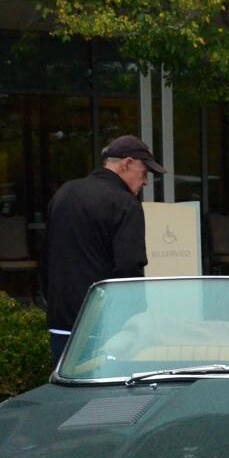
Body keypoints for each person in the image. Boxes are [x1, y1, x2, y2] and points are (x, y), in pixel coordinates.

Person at [41, 135, 162, 364]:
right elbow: (129, 268)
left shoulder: (64, 192)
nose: (145, 181)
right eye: (144, 172)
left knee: (64, 392)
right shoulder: (125, 203)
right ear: (126, 164)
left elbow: (46, 255)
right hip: (104, 325)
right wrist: (134, 323)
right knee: (107, 398)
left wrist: (51, 303)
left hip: (61, 320)